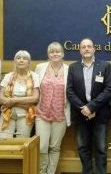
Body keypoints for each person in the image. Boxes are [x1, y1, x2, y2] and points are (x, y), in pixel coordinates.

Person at [66, 38, 111, 174]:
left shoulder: (104, 66)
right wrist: (84, 108)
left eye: (89, 46)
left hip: (100, 114)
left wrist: (91, 107)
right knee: (82, 148)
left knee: (101, 148)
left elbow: (109, 89)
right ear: (80, 50)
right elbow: (69, 91)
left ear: (94, 49)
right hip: (81, 115)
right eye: (83, 47)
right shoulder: (73, 67)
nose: (86, 49)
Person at [35, 42, 71, 174]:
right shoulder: (40, 68)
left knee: (55, 147)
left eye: (58, 51)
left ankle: (51, 172)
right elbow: (35, 88)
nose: (55, 54)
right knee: (42, 147)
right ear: (48, 54)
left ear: (62, 54)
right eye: (52, 52)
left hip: (60, 114)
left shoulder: (69, 69)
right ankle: (41, 172)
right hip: (42, 113)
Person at [0, 50, 39, 138]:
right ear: (15, 61)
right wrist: (20, 103)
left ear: (29, 62)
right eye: (18, 58)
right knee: (3, 139)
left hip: (26, 115)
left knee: (21, 142)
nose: (21, 60)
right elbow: (1, 97)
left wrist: (13, 101)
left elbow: (35, 98)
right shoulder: (8, 76)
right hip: (8, 113)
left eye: (24, 58)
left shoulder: (34, 76)